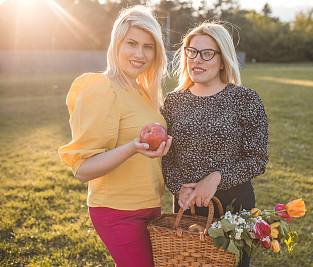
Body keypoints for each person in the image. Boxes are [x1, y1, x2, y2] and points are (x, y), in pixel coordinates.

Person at [58, 6, 172, 267]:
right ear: (116, 44)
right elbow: (83, 169)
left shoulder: (144, 92)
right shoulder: (101, 88)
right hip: (118, 211)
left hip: (151, 206)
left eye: (148, 46)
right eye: (131, 43)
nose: (139, 54)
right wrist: (132, 147)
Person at [161, 22, 269, 267]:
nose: (197, 60)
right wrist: (180, 188)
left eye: (207, 53)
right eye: (192, 51)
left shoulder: (245, 99)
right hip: (186, 205)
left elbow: (257, 158)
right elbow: (167, 156)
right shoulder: (173, 101)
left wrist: (217, 177)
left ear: (223, 59)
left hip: (234, 206)